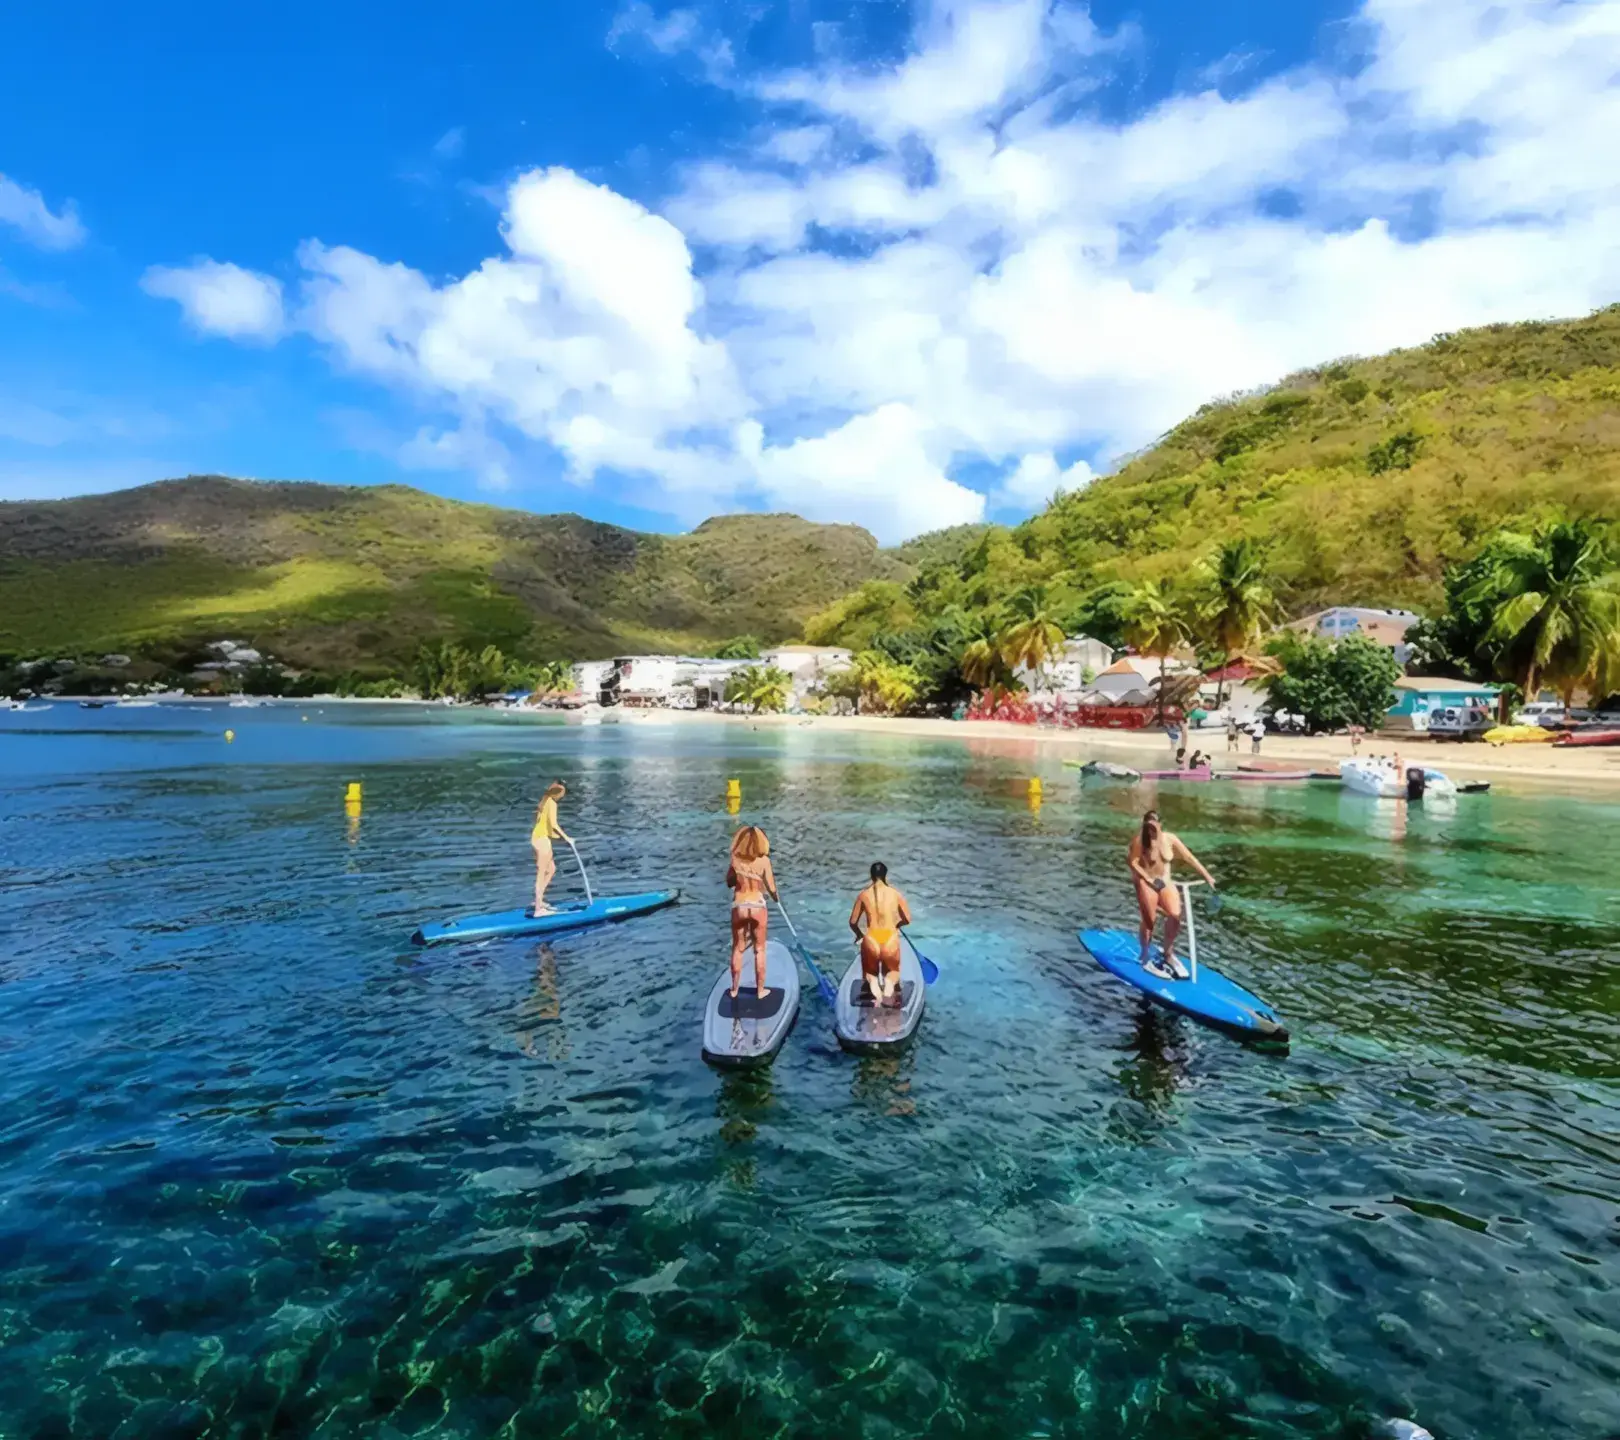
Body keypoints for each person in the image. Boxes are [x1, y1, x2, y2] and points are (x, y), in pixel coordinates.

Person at [1127, 809, 1215, 979]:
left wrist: (1207, 876)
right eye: (1148, 826)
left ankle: (1168, 953)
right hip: (1146, 881)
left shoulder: (1170, 839)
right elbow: (1132, 862)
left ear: (1160, 825)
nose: (1151, 830)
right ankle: (1144, 956)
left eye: (1154, 826)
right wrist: (1146, 878)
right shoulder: (1140, 841)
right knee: (1149, 920)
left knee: (1175, 915)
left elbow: (1189, 858)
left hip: (1164, 882)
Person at [848, 861, 914, 1005]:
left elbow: (853, 922)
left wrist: (859, 934)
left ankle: (877, 1001)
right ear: (885, 875)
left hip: (871, 939)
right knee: (892, 974)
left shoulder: (863, 895)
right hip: (889, 938)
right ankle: (888, 992)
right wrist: (897, 925)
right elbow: (908, 919)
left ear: (871, 876)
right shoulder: (895, 894)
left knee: (871, 975)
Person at [726, 826, 779, 1001]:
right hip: (757, 905)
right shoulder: (764, 861)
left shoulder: (735, 860)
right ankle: (760, 990)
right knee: (760, 949)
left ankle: (734, 989)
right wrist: (776, 898)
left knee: (738, 949)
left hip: (739, 905)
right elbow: (771, 888)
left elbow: (729, 882)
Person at [530, 782, 571, 915]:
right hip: (542, 841)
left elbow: (546, 827)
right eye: (562, 793)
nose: (563, 796)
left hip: (539, 838)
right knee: (541, 873)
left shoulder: (545, 801)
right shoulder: (552, 803)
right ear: (558, 792)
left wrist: (559, 838)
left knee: (551, 869)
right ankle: (538, 909)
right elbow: (554, 825)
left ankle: (538, 901)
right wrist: (567, 838)